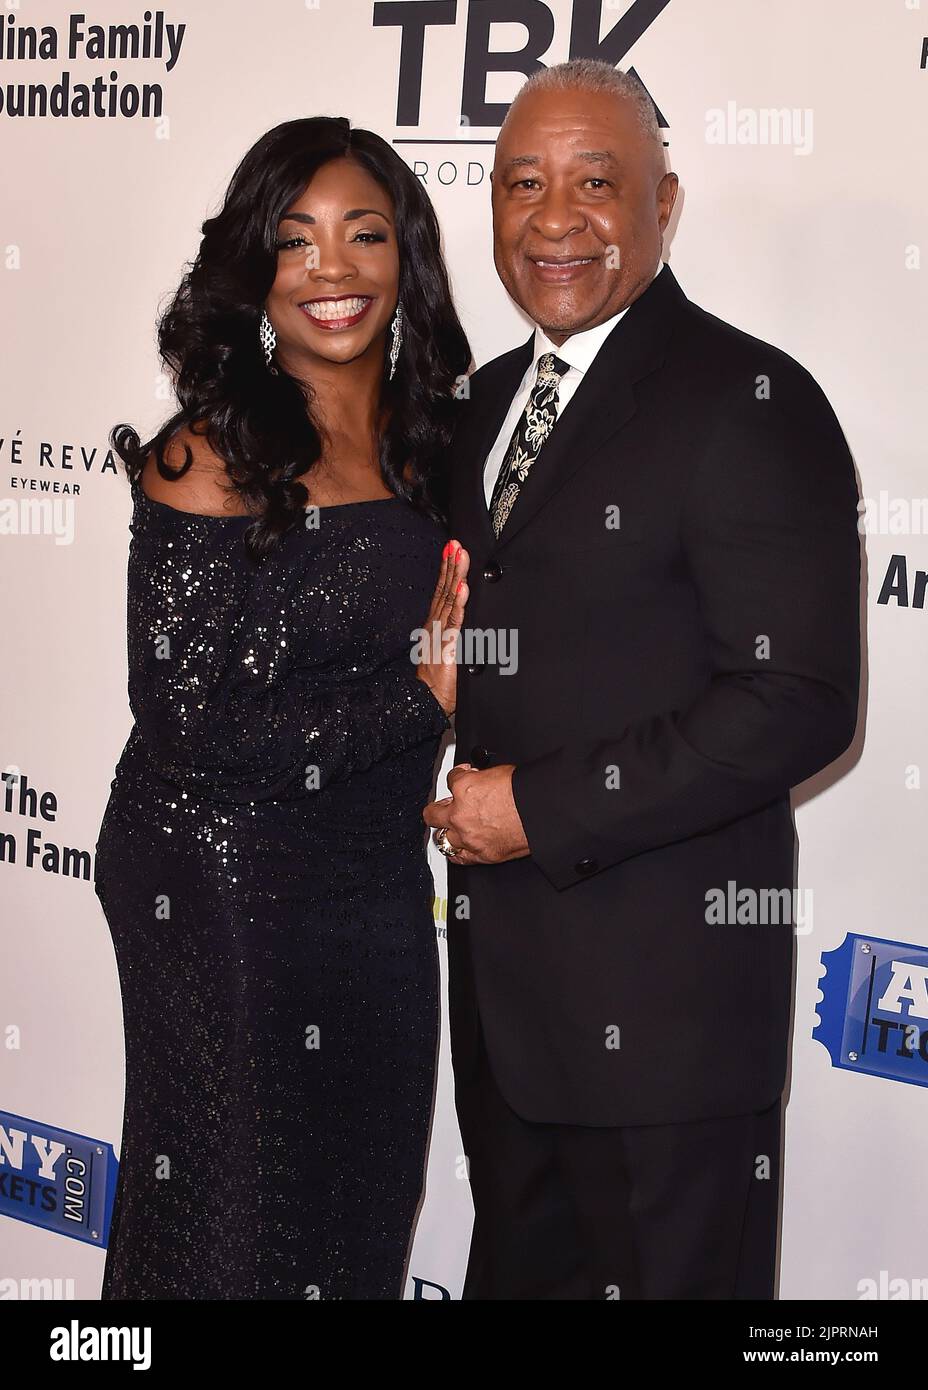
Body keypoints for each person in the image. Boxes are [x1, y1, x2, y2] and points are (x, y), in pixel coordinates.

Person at [424, 59, 861, 1299]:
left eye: (596, 183)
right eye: (522, 184)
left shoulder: (750, 398)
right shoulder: (484, 403)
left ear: (664, 205)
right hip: (506, 1023)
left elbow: (797, 699)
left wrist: (539, 809)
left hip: (666, 1046)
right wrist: (461, 687)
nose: (553, 218)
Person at [94, 115, 471, 1300]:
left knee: (359, 1211)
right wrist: (417, 698)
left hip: (372, 877)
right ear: (255, 267)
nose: (333, 269)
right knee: (233, 1217)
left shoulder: (432, 448)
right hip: (218, 878)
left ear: (406, 259)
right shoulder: (206, 454)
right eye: (296, 240)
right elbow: (188, 727)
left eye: (364, 235)